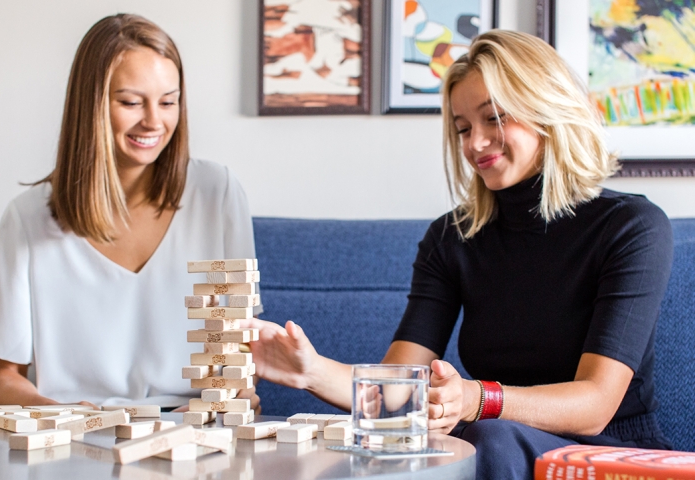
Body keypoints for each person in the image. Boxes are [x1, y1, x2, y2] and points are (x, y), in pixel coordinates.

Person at [242, 30, 673, 478]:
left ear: (546, 111)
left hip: (615, 455)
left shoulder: (631, 227)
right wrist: (310, 370)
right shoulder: (452, 239)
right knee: (442, 441)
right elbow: (396, 391)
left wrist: (476, 399)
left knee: (482, 437)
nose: (474, 144)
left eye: (494, 119)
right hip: (499, 448)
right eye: (464, 128)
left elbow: (596, 404)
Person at [0, 14, 261, 410]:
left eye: (168, 102)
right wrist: (62, 417)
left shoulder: (218, 193)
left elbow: (233, 350)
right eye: (130, 102)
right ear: (90, 104)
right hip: (75, 432)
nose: (153, 121)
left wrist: (226, 399)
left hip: (189, 429)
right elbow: (3, 376)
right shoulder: (27, 219)